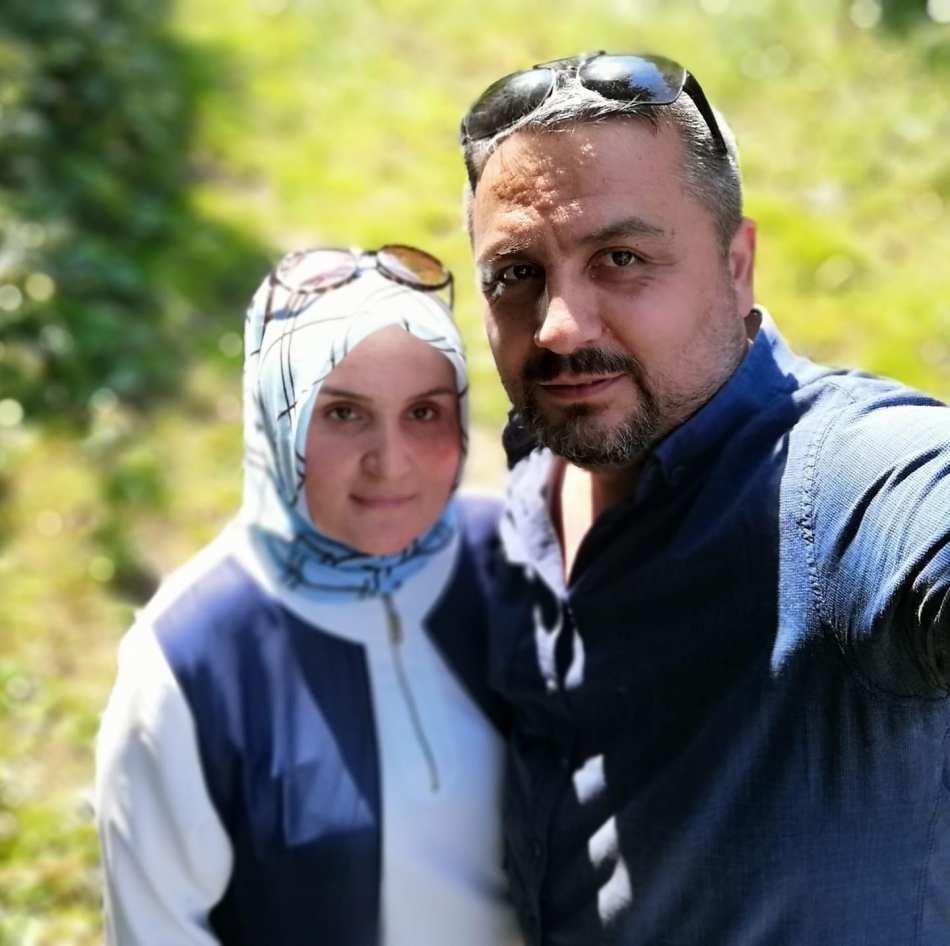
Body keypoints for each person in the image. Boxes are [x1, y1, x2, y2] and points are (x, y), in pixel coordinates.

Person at [459, 51, 950, 944]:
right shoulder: (532, 484)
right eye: (516, 274)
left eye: (621, 258)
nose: (559, 326)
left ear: (737, 265)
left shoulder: (836, 486)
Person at [94, 245, 521, 946]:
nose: (390, 462)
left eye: (423, 412)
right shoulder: (187, 661)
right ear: (275, 418)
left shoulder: (515, 562)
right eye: (344, 413)